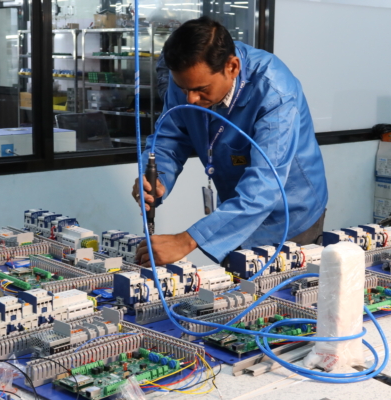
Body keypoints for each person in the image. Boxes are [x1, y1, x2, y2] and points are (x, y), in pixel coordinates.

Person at [133, 16, 328, 267]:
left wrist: (186, 240)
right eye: (184, 89)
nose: (190, 99)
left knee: (283, 297)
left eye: (201, 89)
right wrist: (156, 178)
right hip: (234, 210)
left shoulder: (275, 93)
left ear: (233, 67)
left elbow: (264, 187)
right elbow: (170, 137)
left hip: (290, 214)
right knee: (239, 293)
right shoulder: (187, 79)